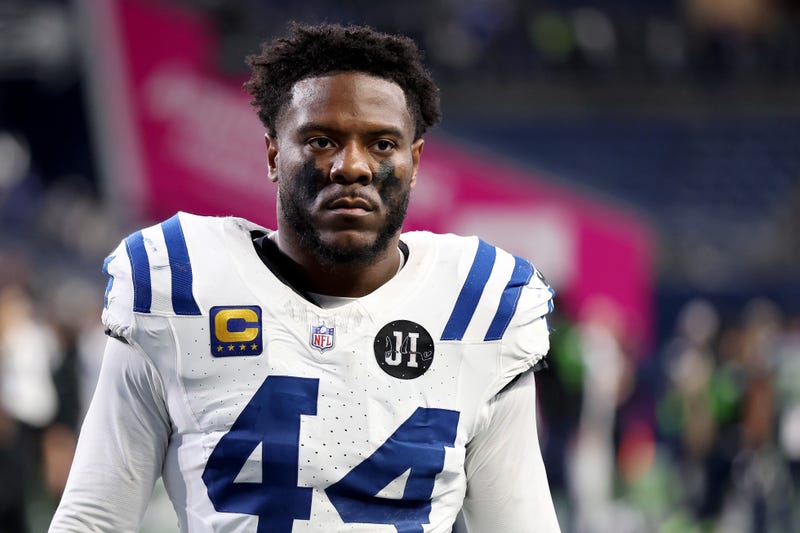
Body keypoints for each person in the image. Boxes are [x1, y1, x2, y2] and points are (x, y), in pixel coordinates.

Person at [49, 22, 560, 533]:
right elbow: (94, 518)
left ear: (415, 160)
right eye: (321, 140)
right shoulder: (179, 285)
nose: (352, 166)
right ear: (274, 154)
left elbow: (521, 526)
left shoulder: (475, 306)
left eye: (382, 144)